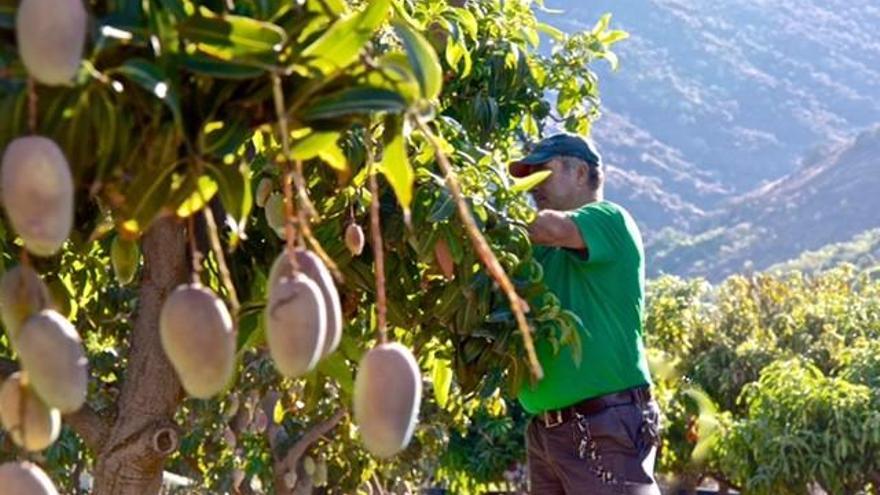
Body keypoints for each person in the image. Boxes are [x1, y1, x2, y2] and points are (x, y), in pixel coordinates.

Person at [509, 133, 661, 495]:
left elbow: (550, 228)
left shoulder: (609, 220)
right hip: (546, 431)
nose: (532, 186)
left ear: (580, 173)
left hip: (604, 423)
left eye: (541, 172)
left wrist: (477, 210)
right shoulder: (539, 249)